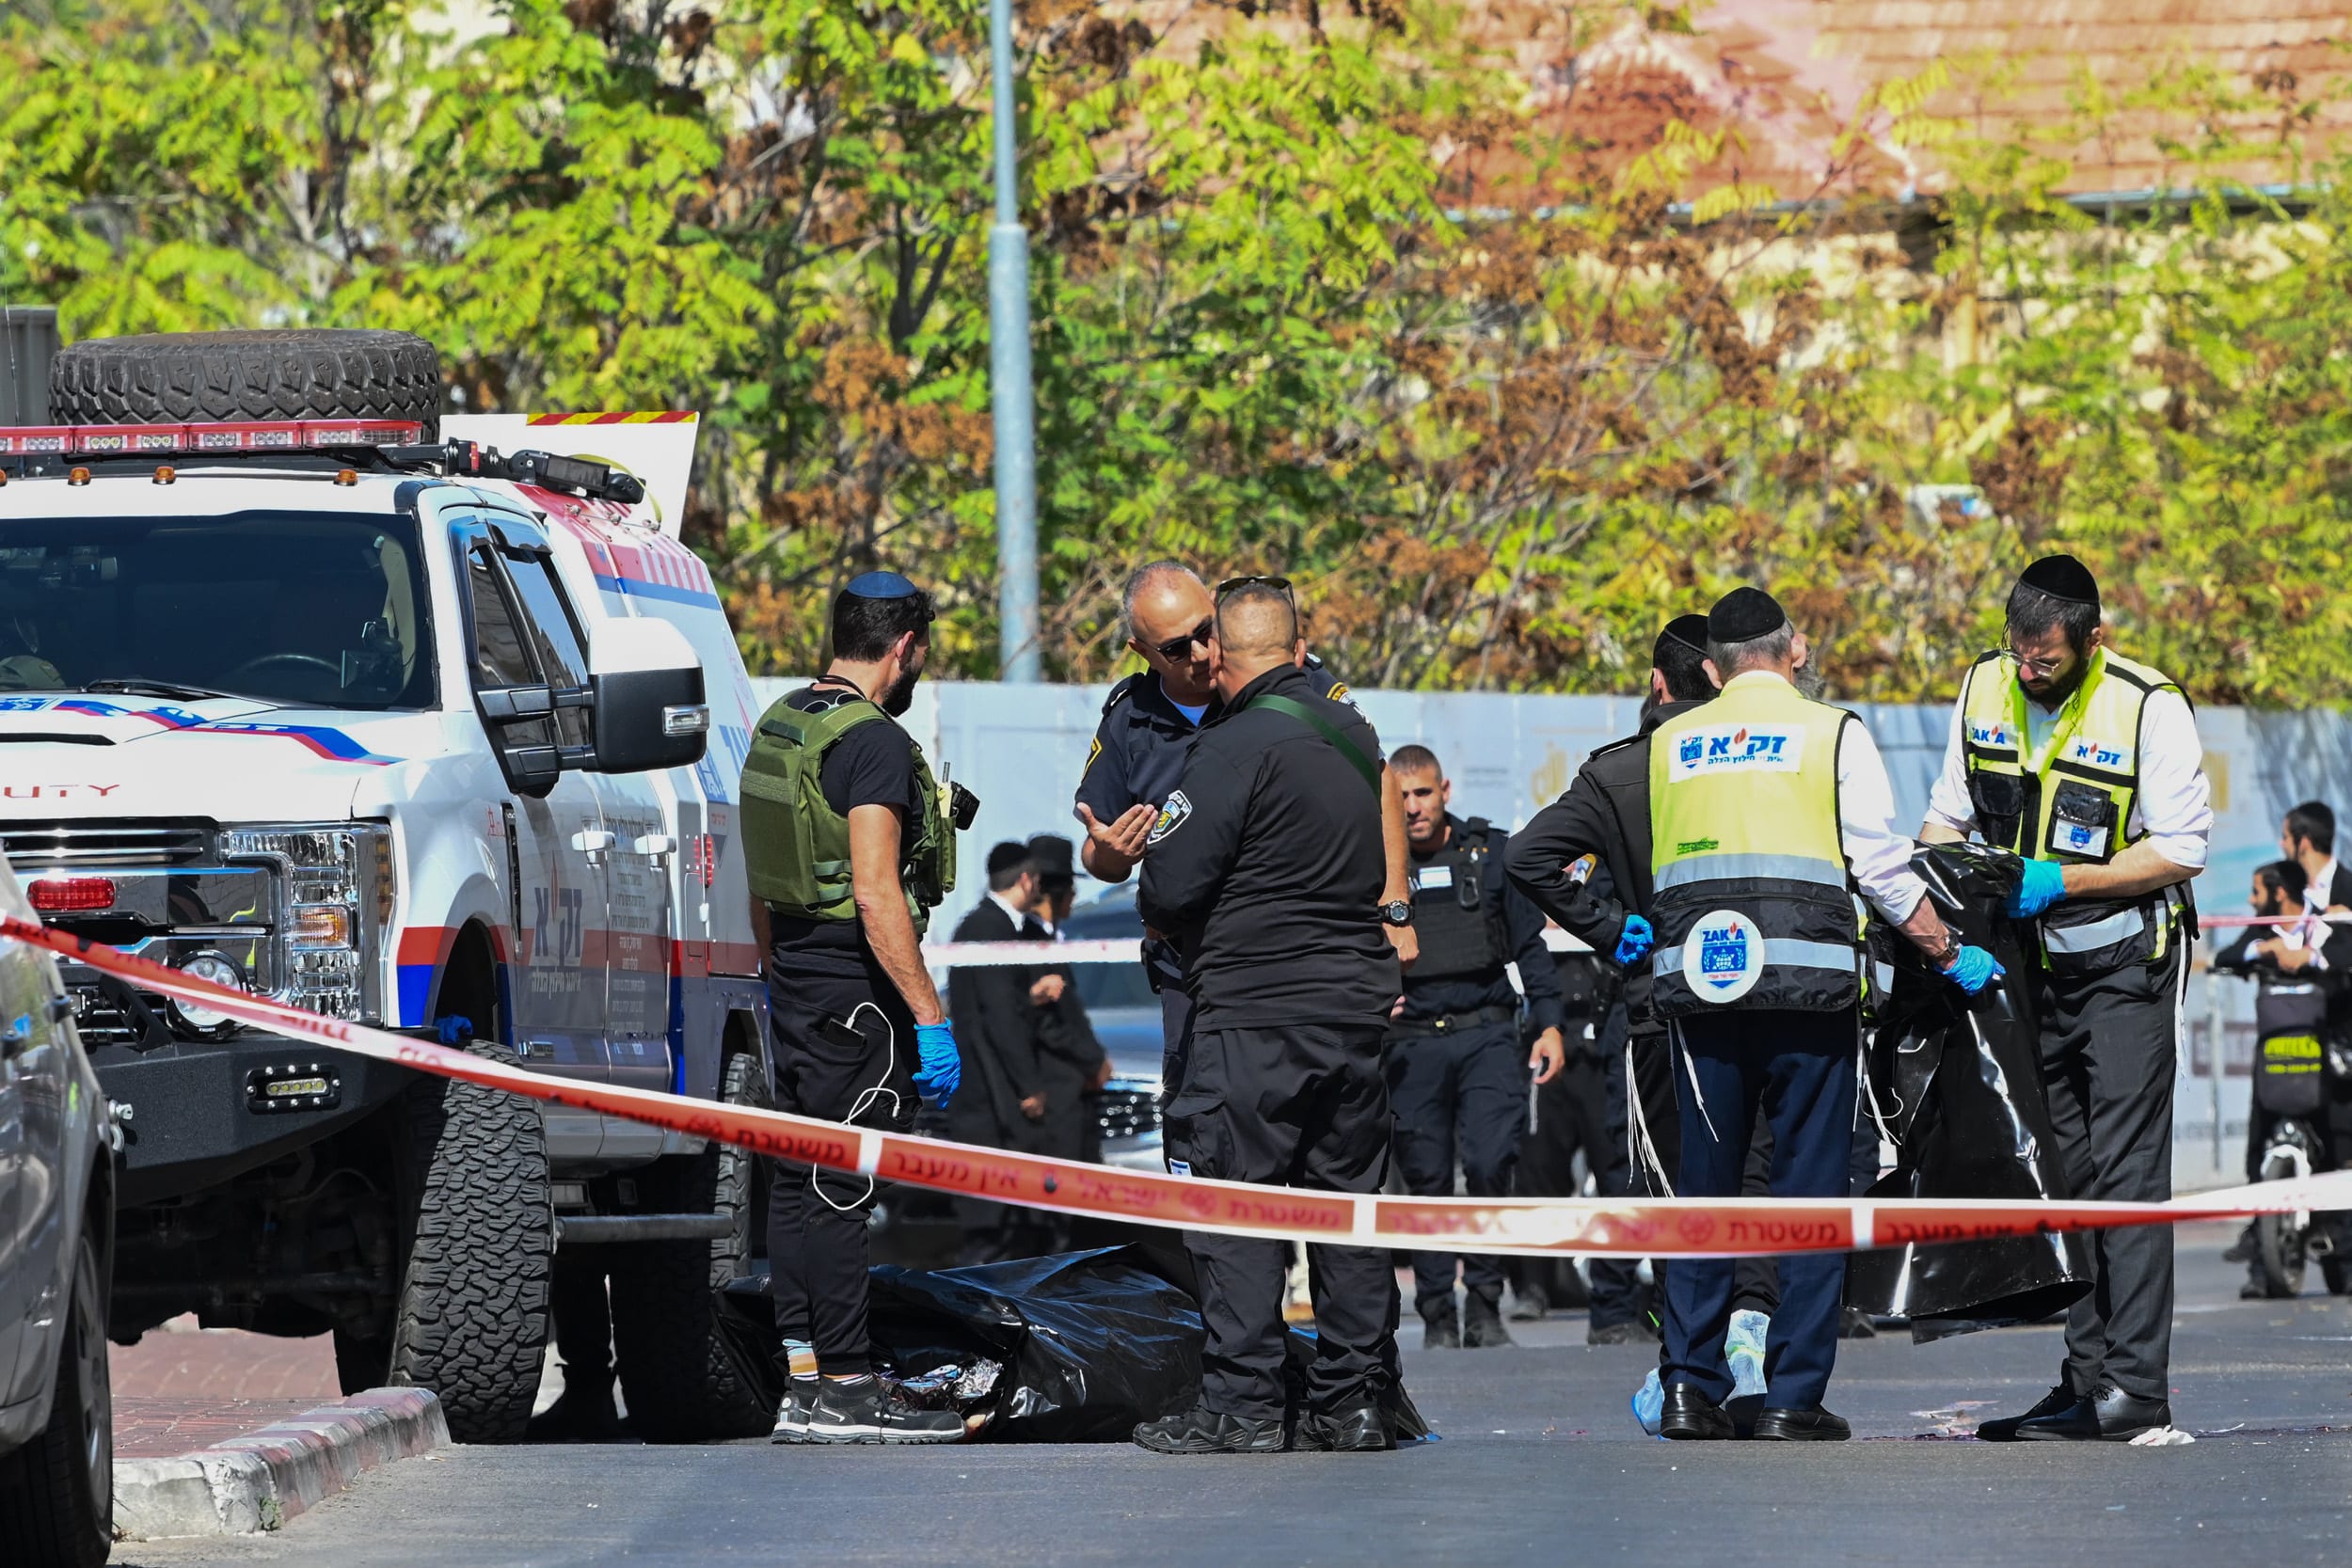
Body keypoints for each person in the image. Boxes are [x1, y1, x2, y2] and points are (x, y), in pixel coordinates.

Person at [1641, 587, 1991, 1441]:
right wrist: (1947, 950)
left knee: (1707, 1193)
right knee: (1807, 1191)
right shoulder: (1833, 731)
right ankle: (1792, 1397)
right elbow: (1880, 863)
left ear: (1713, 668)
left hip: (1703, 988)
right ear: (1794, 650)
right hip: (1811, 989)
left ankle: (1690, 1385)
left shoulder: (1671, 738)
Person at [1920, 553, 2212, 1443]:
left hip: (2125, 969)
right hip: (2028, 973)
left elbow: (2182, 847)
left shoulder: (2146, 703)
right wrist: (1929, 893)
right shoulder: (1984, 687)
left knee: (2125, 1180)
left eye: (2046, 657)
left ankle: (2137, 1388)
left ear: (2094, 638)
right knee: (2067, 1179)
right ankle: (2084, 1382)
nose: (2028, 670)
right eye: (2018, 651)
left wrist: (2068, 880)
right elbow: (1947, 816)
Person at [1132, 580, 1403, 1454]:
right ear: (1296, 646)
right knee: (1348, 1212)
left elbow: (1169, 884)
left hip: (1252, 1014)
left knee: (1235, 1210)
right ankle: (1354, 1399)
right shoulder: (1353, 732)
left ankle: (1243, 1406)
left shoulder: (1231, 745)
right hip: (1354, 1010)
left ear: (1223, 651)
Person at [739, 570, 968, 1446]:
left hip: (796, 975)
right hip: (856, 992)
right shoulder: (871, 744)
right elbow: (878, 892)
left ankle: (802, 1366)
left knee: (800, 1172)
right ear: (904, 648)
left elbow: (762, 877)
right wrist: (930, 1016)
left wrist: (777, 973)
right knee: (844, 1179)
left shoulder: (785, 720)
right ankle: (845, 1376)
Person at [1073, 561, 1417, 1102]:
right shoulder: (1129, 718)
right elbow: (1098, 849)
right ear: (1142, 652)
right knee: (1209, 1136)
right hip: (1197, 971)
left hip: (1305, 960)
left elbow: (1380, 783)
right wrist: (1112, 855)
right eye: (1176, 648)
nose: (1203, 654)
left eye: (1206, 631)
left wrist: (1394, 905)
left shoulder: (1294, 683)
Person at [1505, 615, 1716, 1346]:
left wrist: (1606, 928)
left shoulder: (1622, 767)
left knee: (1660, 1178)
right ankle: (1758, 1349)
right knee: (1749, 1179)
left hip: (1659, 1003)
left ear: (1657, 683)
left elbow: (1526, 857)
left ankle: (1690, 1360)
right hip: (1759, 999)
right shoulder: (1770, 757)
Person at [1385, 743, 1566, 1349]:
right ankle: (1438, 1312)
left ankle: (1484, 1303)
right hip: (1411, 1044)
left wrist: (1548, 1023)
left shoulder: (1488, 854)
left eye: (1423, 793)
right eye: (1402, 796)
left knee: (1491, 1164)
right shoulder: (1375, 865)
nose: (1413, 808)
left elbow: (1530, 948)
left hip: (1486, 1033)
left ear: (1445, 792)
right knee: (1426, 1178)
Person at [2212, 859, 2352, 1294]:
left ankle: (2343, 1257)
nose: (2252, 902)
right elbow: (2225, 956)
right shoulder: (2263, 931)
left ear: (2279, 892)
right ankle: (2263, 1267)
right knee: (2256, 1153)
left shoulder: (2327, 923)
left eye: (2257, 892)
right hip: (2274, 1061)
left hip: (2325, 1062)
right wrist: (2266, 952)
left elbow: (2345, 954)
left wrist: (2310, 957)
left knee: (2340, 1152)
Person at [946, 842, 1057, 1264]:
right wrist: (1029, 1087)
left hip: (986, 1097)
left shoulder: (982, 924)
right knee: (990, 1231)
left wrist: (1028, 996)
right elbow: (997, 1017)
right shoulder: (990, 928)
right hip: (987, 1102)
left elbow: (991, 1002)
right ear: (1027, 879)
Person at [1022, 833, 1111, 1164]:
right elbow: (1048, 1022)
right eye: (1071, 889)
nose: (1074, 897)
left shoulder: (1050, 939)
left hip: (1072, 1092)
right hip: (1054, 1092)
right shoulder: (1027, 944)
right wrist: (1094, 1059)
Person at [2281, 801, 2352, 912]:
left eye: (2285, 837)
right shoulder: (2283, 894)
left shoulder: (2348, 888)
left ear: (2304, 842)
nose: (2282, 844)